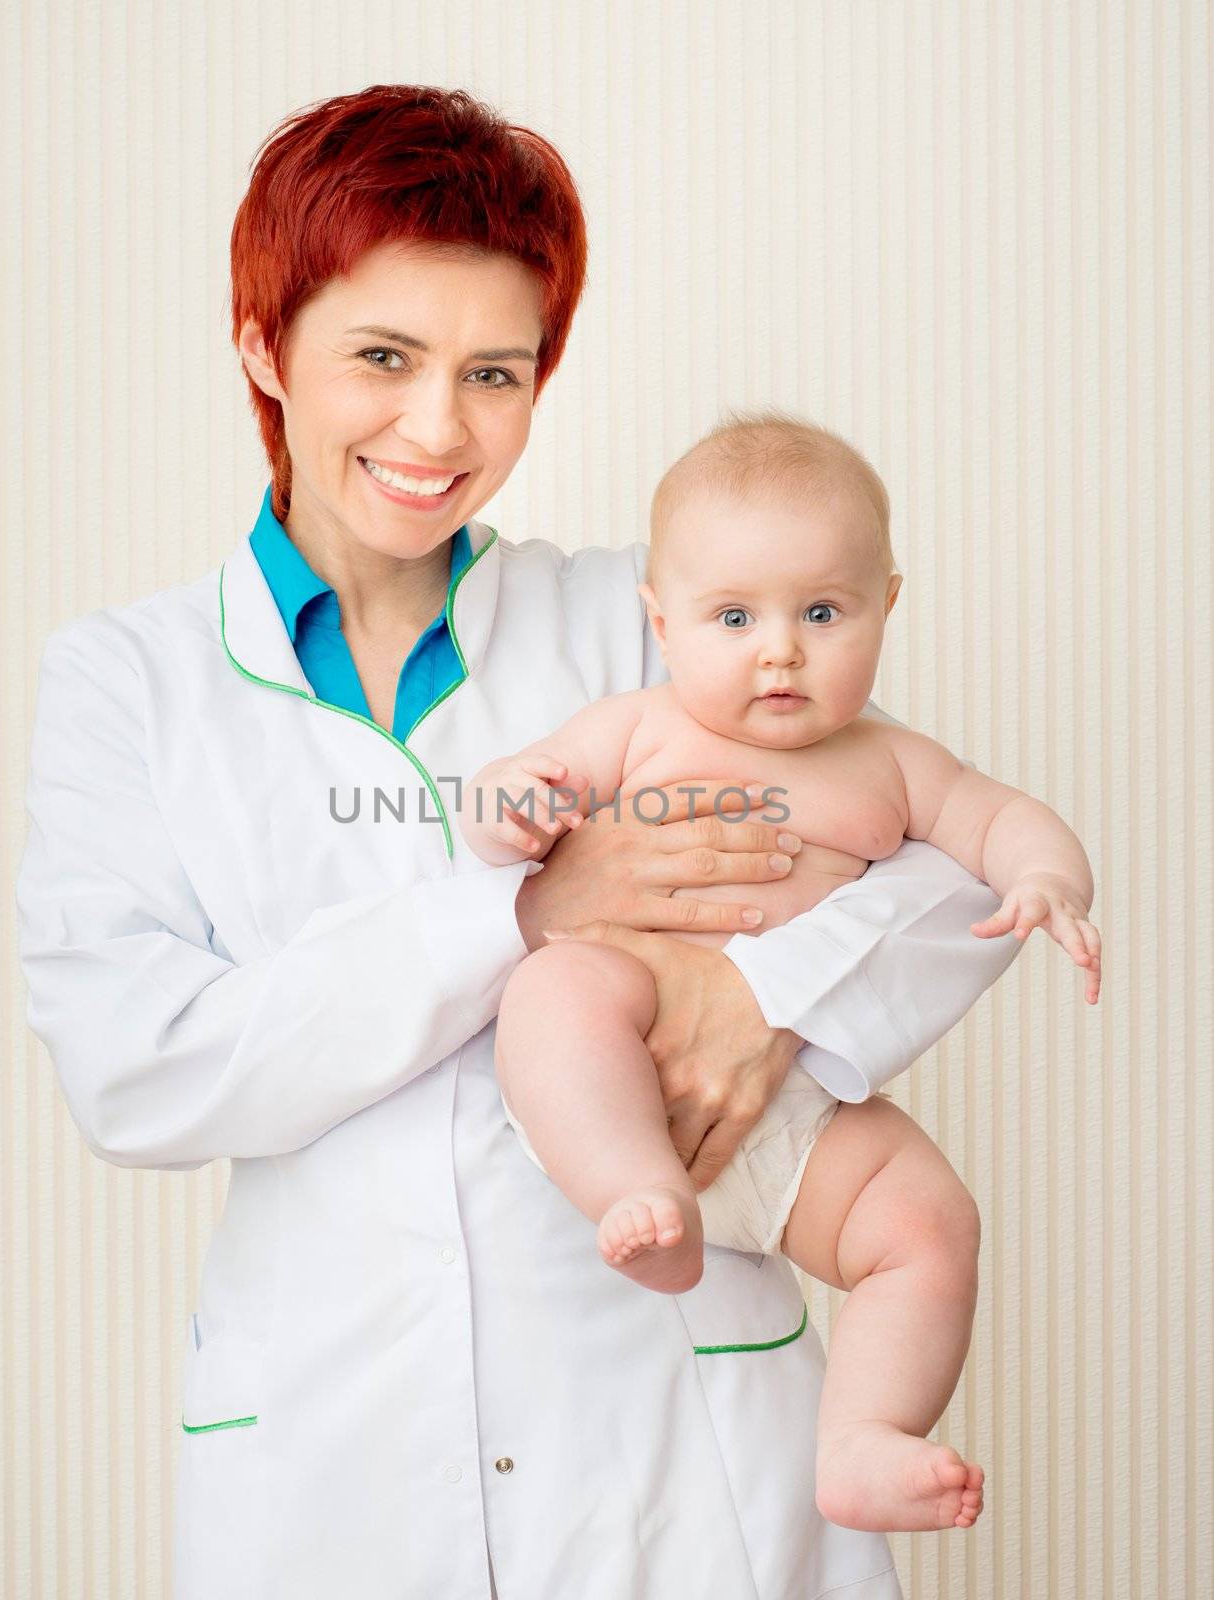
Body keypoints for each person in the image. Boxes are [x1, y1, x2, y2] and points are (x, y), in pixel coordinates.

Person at [15, 86, 1022, 1598]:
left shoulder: (647, 610)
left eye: (495, 371)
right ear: (259, 347)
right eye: (383, 358)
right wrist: (529, 916)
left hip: (681, 1440)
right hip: (333, 1456)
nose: (440, 428)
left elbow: (938, 853)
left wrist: (778, 1004)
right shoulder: (126, 682)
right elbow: (139, 1064)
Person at [464, 410, 1102, 1537]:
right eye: (732, 616)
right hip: (628, 1066)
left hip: (796, 1106)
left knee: (928, 1224)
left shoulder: (893, 763)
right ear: (660, 623)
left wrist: (1048, 876)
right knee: (553, 993)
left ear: (885, 607)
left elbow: (996, 817)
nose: (779, 650)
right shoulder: (639, 726)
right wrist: (519, 804)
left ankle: (859, 1439)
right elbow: (514, 795)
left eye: (820, 612)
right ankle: (632, 1187)